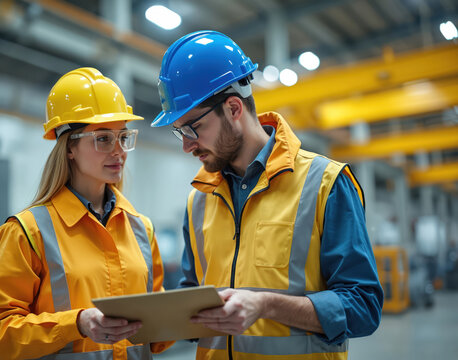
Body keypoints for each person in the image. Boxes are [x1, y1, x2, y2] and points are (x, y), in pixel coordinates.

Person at [151, 31, 383, 359]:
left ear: (233, 108)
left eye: (193, 128)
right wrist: (150, 319)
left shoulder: (325, 183)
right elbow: (194, 297)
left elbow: (363, 307)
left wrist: (266, 305)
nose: (187, 144)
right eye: (179, 133)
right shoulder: (199, 200)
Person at [0, 68, 172, 359]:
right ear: (70, 146)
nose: (118, 151)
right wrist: (77, 324)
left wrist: (189, 317)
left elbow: (156, 339)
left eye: (123, 137)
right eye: (103, 139)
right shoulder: (28, 231)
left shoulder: (141, 229)